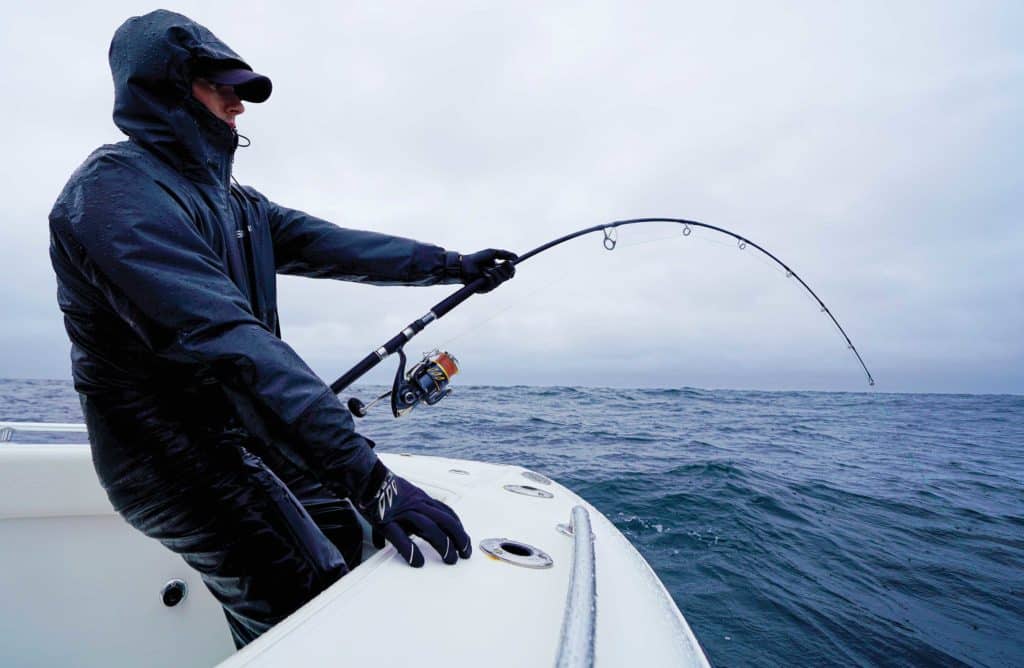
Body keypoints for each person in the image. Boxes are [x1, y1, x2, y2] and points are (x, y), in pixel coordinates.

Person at [48, 9, 516, 648]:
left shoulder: (238, 205)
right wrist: (373, 480)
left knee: (353, 536)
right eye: (223, 89)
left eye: (242, 92)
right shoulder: (111, 198)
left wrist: (452, 266)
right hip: (167, 459)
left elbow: (342, 247)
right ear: (168, 88)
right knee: (307, 604)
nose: (238, 107)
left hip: (240, 437)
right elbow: (232, 346)